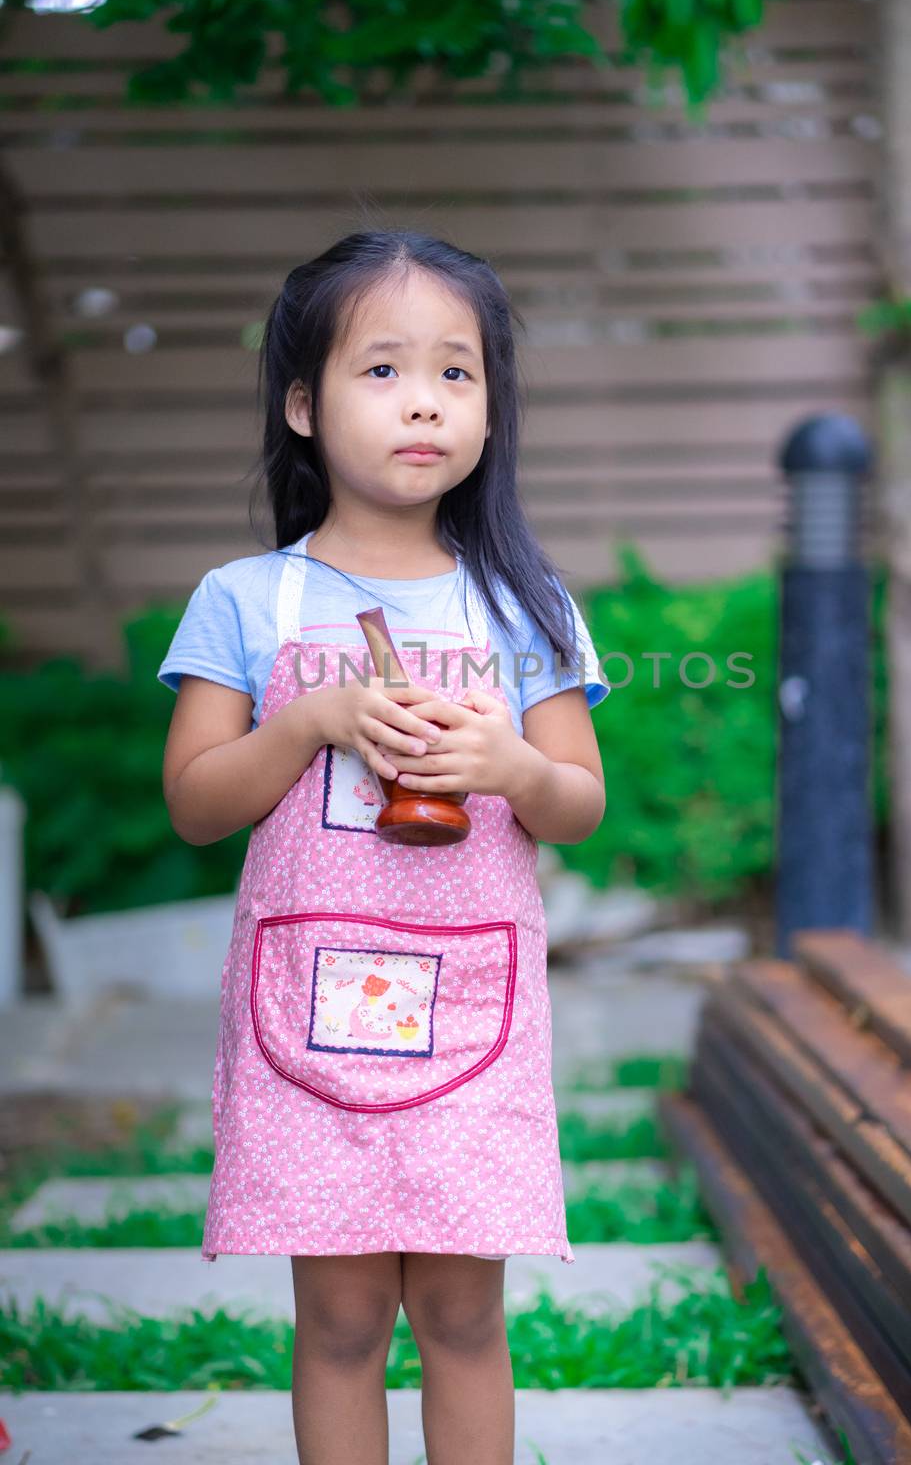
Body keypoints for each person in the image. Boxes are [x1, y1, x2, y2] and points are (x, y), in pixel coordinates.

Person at [156, 228, 611, 1465]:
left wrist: (511, 767)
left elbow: (578, 800)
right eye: (383, 369)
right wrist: (308, 719)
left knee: (464, 1311)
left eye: (457, 373)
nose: (424, 399)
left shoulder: (525, 602)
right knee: (342, 1316)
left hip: (471, 1012)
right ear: (301, 404)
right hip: (311, 1016)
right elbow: (197, 801)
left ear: (489, 408)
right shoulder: (247, 600)